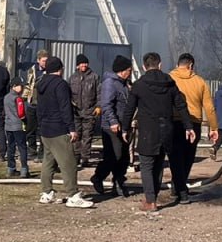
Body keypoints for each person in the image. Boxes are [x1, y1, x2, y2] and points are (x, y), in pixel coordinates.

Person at [122, 52, 194, 211]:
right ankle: (164, 195)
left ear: (143, 66)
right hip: (167, 129)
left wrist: (125, 128)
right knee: (159, 163)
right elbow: (181, 105)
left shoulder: (139, 85)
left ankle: (150, 200)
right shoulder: (170, 83)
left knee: (147, 165)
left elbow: (129, 109)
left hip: (148, 130)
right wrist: (188, 126)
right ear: (160, 65)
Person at [35, 56, 94, 208]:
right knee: (69, 163)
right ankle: (73, 195)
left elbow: (39, 108)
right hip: (58, 129)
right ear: (60, 69)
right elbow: (65, 107)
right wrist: (71, 128)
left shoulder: (40, 84)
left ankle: (46, 193)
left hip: (45, 129)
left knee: (48, 162)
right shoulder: (60, 84)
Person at [169, 52, 218, 195]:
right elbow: (209, 107)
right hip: (193, 123)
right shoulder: (200, 81)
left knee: (175, 155)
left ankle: (176, 184)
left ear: (178, 65)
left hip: (174, 122)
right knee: (188, 156)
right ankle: (180, 185)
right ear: (191, 65)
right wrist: (214, 127)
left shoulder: (169, 78)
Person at [91, 54, 133, 197]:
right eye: (129, 70)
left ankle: (119, 180)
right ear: (122, 70)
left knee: (123, 156)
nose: (130, 72)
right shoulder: (110, 83)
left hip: (124, 126)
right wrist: (113, 121)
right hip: (111, 127)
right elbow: (106, 105)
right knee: (114, 155)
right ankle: (98, 176)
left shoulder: (124, 84)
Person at [68, 54, 100, 167]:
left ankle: (85, 158)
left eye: (85, 63)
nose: (84, 65)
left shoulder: (94, 77)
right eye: (82, 63)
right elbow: (68, 94)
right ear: (77, 65)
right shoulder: (72, 78)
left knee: (87, 136)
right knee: (76, 135)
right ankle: (76, 157)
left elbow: (99, 93)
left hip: (90, 111)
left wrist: (98, 106)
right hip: (76, 112)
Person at [23, 48, 50, 157]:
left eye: (46, 60)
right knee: (30, 129)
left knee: (43, 129)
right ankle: (31, 149)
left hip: (44, 104)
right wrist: (24, 98)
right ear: (38, 60)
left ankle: (42, 152)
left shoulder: (50, 71)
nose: (45, 63)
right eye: (43, 60)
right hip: (32, 103)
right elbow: (28, 85)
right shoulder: (32, 70)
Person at [2, 78, 31, 178]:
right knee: (22, 147)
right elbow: (21, 113)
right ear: (14, 86)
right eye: (20, 86)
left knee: (11, 147)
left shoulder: (6, 97)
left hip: (8, 125)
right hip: (18, 125)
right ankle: (24, 169)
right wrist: (25, 120)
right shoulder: (18, 99)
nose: (22, 88)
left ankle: (11, 168)